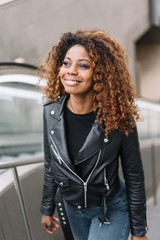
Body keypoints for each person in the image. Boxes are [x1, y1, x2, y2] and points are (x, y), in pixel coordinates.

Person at [38, 29, 149, 240]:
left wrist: (139, 231)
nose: (71, 71)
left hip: (111, 208)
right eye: (66, 63)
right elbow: (51, 164)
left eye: (83, 66)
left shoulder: (119, 118)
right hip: (72, 209)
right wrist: (47, 207)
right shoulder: (50, 112)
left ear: (101, 74)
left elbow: (134, 176)